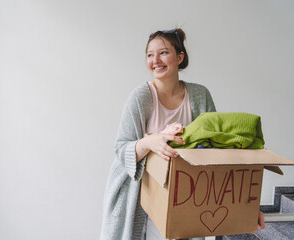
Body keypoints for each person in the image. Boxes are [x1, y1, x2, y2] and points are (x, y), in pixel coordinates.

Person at [100, 28, 264, 240]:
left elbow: (219, 153)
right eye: (150, 54)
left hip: (184, 197)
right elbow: (121, 148)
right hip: (141, 196)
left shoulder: (199, 95)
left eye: (163, 53)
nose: (155, 60)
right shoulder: (141, 97)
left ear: (179, 57)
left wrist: (246, 207)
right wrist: (151, 141)